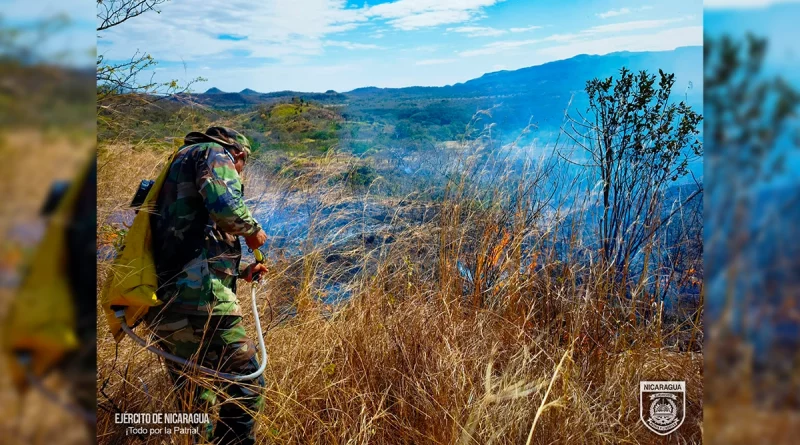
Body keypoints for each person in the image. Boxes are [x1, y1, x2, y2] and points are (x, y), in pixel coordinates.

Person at [145, 126, 268, 445]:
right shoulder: (214, 153)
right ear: (239, 155)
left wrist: (240, 273)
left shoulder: (177, 164)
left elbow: (186, 240)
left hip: (166, 302)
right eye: (243, 166)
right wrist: (251, 230)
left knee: (194, 401)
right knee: (246, 387)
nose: (240, 173)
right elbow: (225, 206)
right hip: (205, 304)